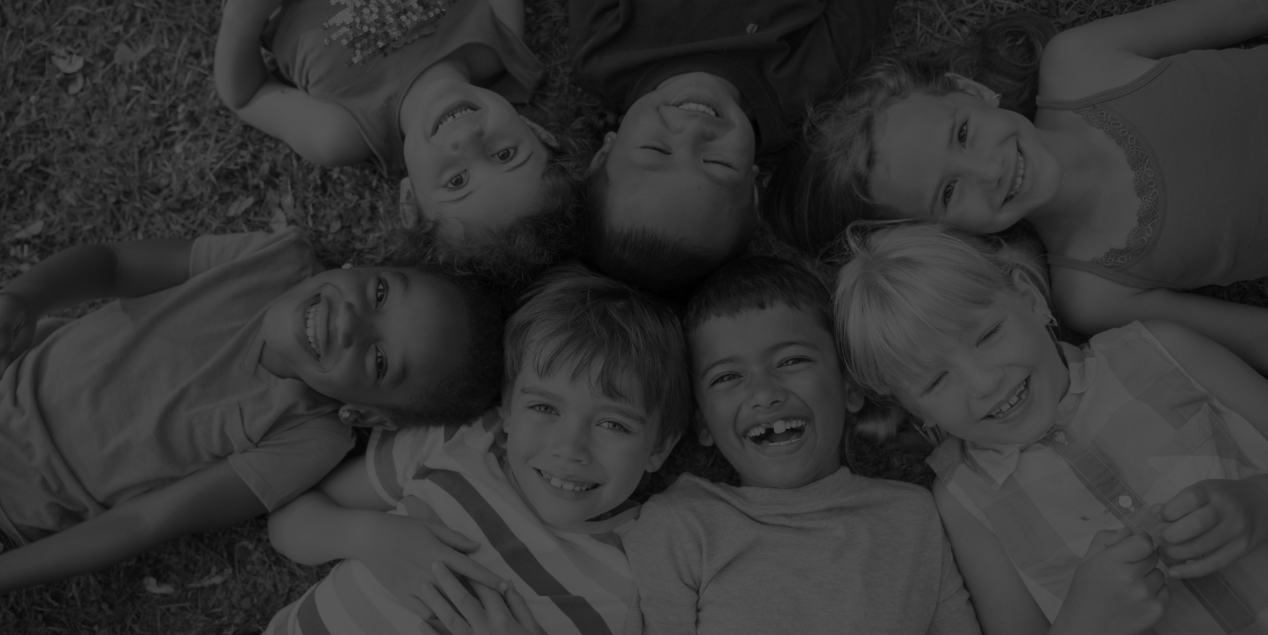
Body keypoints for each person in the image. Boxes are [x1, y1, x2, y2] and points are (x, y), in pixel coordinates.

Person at [0, 228, 505, 635]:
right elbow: (114, 265)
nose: (351, 322)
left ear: (368, 416)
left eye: (380, 361)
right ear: (372, 265)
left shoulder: (307, 441)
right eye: (382, 294)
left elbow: (142, 523)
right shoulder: (274, 259)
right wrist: (23, 298)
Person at [833, 222, 1268, 635]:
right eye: (935, 381)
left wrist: (1256, 503)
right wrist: (1083, 624)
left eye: (987, 335)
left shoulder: (1161, 350)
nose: (984, 383)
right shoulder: (966, 502)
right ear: (915, 411)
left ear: (1029, 297)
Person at [785, 0, 1268, 372]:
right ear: (949, 238)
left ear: (972, 92)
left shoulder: (1081, 61)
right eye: (949, 193)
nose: (988, 171)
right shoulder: (1094, 290)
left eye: (963, 134)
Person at [260, 264, 691, 635]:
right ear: (506, 408)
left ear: (660, 446)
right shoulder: (460, 442)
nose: (570, 447)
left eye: (613, 423)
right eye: (544, 407)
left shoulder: (636, 579)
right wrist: (366, 536)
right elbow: (288, 519)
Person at [623, 256, 980, 634]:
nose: (764, 393)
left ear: (850, 387)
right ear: (702, 424)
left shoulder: (914, 518)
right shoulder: (680, 525)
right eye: (727, 376)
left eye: (791, 360)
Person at [216, 0, 581, 289]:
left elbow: (245, 95)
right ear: (536, 130)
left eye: (457, 181)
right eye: (505, 154)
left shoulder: (340, 131)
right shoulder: (497, 38)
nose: (467, 140)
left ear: (410, 202)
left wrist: (242, 14)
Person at [567, 0, 894, 298]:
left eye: (656, 149)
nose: (693, 132)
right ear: (752, 189)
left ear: (604, 154)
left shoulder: (602, 52)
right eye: (718, 163)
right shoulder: (807, 79)